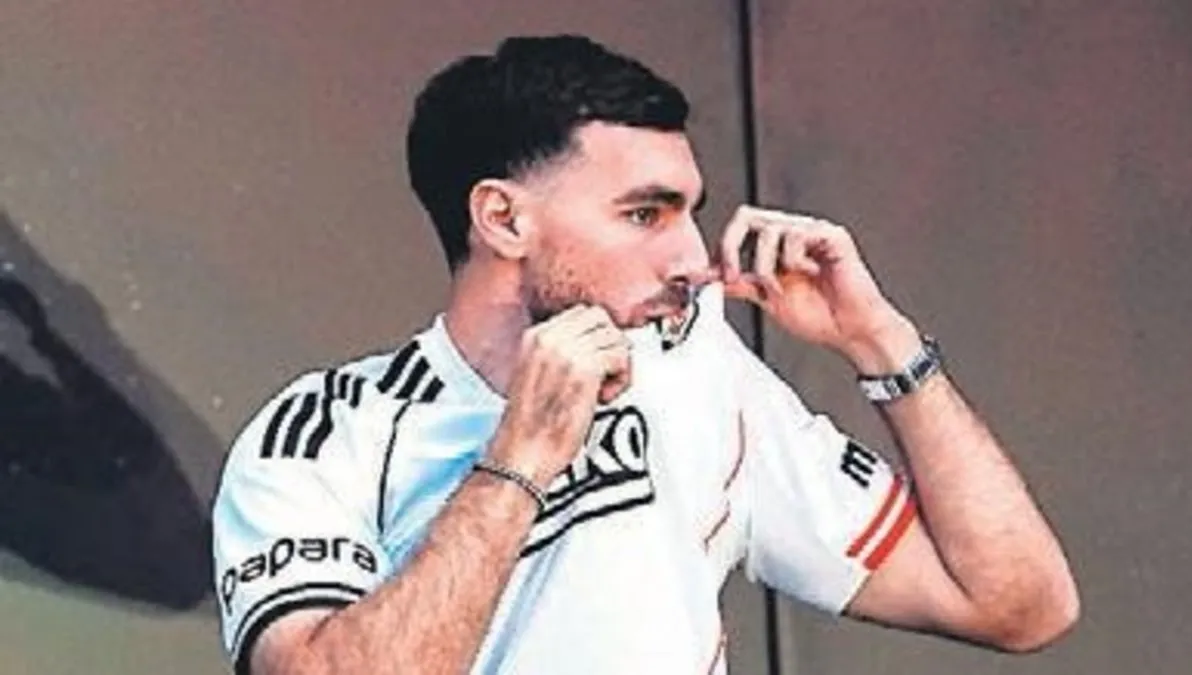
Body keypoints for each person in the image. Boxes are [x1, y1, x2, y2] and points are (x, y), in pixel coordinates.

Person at [210, 35, 1078, 675]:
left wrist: (881, 341)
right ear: (503, 219)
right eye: (644, 214)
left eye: (689, 212)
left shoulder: (695, 373)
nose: (691, 257)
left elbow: (1020, 602)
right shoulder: (329, 433)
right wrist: (520, 459)